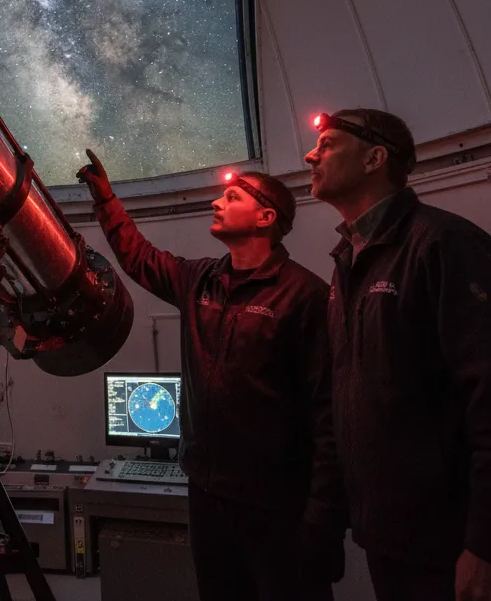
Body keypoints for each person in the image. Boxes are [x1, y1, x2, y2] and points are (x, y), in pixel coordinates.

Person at [77, 150, 344, 600]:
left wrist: (323, 509)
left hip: (277, 503)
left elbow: (328, 411)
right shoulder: (200, 279)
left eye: (232, 196)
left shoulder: (306, 295)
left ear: (266, 217)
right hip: (207, 492)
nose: (217, 203)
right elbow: (139, 257)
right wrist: (106, 201)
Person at [305, 109, 491, 601]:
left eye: (327, 144)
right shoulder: (348, 259)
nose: (309, 154)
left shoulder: (443, 243)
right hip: (387, 534)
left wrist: (483, 543)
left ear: (374, 157)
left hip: (446, 541)